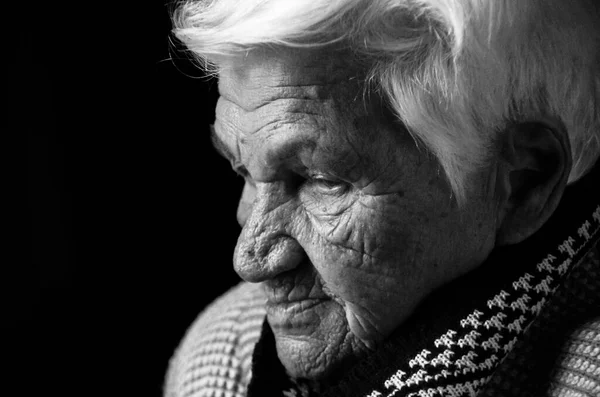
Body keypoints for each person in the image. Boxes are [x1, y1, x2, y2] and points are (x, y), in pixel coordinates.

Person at [164, 1, 600, 396]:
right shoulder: (222, 356)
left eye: (322, 181)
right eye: (245, 171)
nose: (251, 259)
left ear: (525, 183)